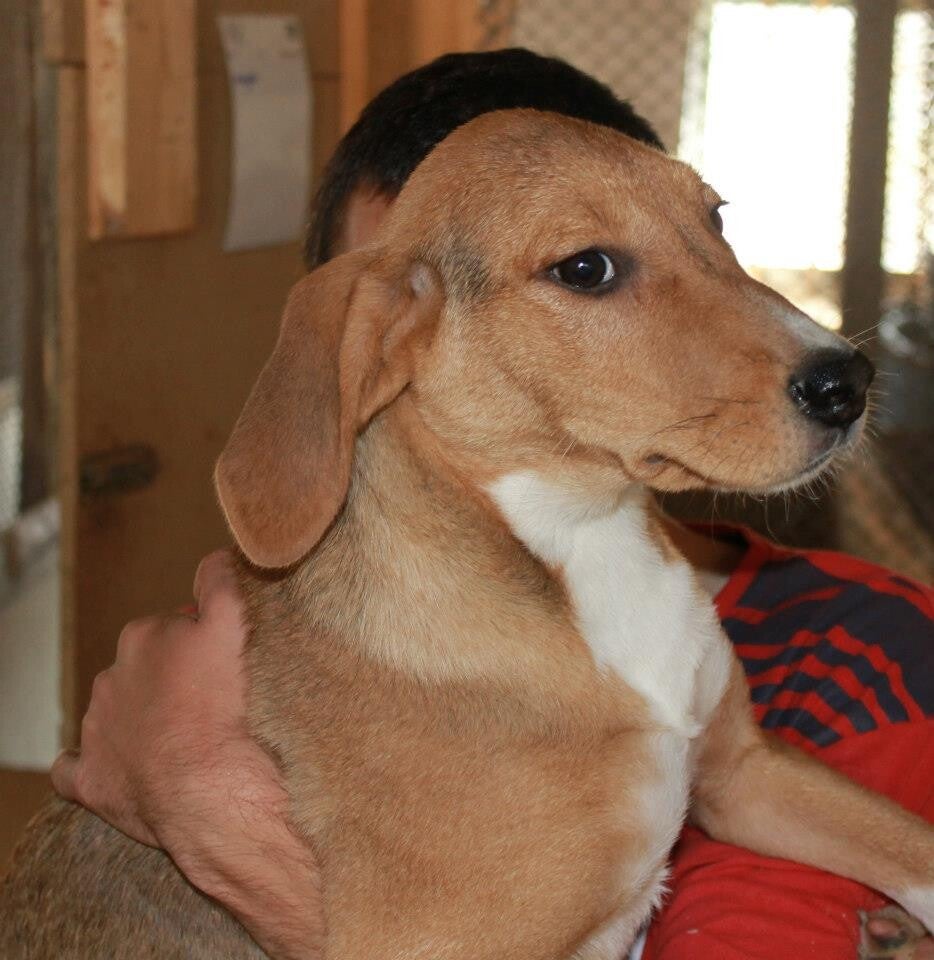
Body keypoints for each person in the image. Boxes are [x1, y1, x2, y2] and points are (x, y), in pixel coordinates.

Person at [51, 49, 934, 960]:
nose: (795, 339)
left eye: (705, 222)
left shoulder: (864, 654)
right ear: (379, 346)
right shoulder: (377, 673)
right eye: (589, 269)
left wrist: (217, 812)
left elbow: (739, 777)